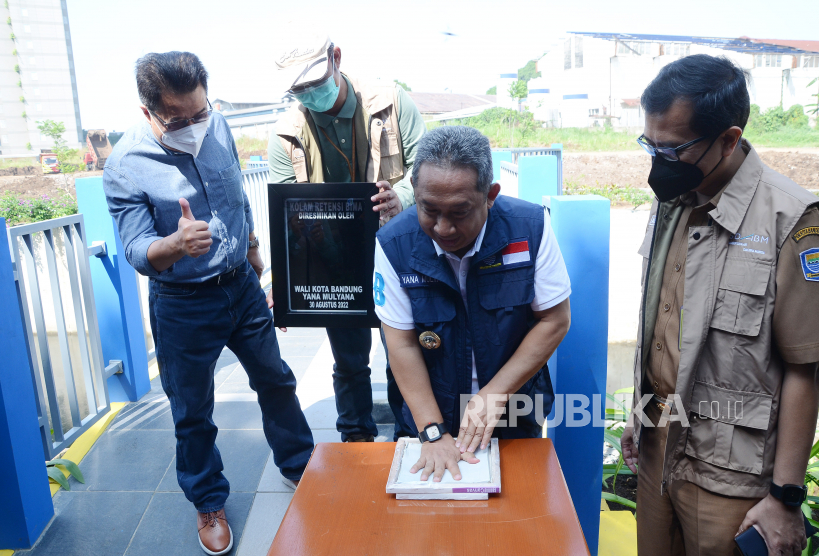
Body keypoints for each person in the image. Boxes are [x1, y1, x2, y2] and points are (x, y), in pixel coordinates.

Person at [103, 52, 314, 556]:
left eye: (201, 112)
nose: (196, 126)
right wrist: (175, 244)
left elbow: (236, 197)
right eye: (180, 119)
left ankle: (299, 463)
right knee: (193, 411)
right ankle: (208, 500)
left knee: (276, 379)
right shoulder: (125, 167)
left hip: (240, 285)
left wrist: (257, 256)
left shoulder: (215, 125)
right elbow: (136, 250)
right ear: (148, 111)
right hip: (183, 303)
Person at [620, 54, 819, 556]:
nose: (658, 161)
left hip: (730, 475)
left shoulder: (790, 219)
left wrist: (785, 497)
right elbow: (662, 329)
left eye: (673, 148)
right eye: (650, 144)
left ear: (728, 139)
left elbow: (805, 367)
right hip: (658, 451)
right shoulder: (671, 201)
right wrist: (640, 414)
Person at [374, 125, 572, 481]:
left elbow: (554, 320)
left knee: (515, 515)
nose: (443, 228)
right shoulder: (394, 243)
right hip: (430, 409)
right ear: (415, 193)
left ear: (490, 195)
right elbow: (401, 343)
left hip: (512, 409)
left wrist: (495, 394)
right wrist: (431, 430)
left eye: (459, 212)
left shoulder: (530, 229)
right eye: (429, 209)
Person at [268, 31, 426, 442]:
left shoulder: (391, 103)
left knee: (403, 356)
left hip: (398, 254)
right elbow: (287, 216)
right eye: (298, 89)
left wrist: (401, 196)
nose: (309, 94)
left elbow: (426, 167)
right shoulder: (285, 134)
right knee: (350, 362)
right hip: (335, 261)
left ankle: (410, 439)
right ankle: (356, 443)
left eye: (315, 83)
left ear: (336, 58)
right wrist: (282, 283)